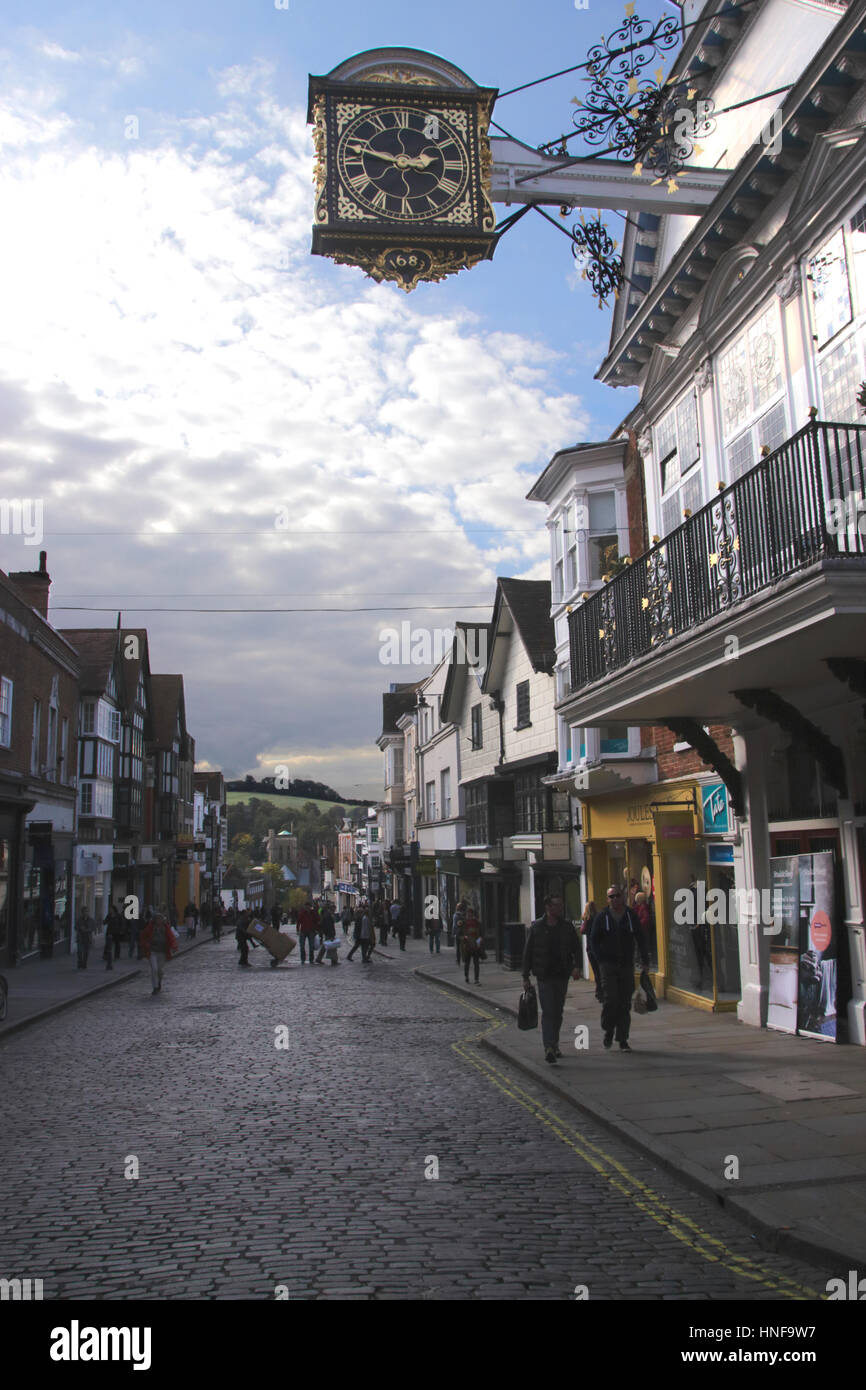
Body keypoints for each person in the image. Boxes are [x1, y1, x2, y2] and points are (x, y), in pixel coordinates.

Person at [522, 895, 583, 1064]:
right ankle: (549, 1046)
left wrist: (577, 966)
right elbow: (528, 953)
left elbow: (576, 948)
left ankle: (554, 1044)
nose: (561, 908)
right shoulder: (537, 927)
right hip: (544, 976)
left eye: (561, 905)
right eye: (558, 905)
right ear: (549, 908)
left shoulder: (566, 926)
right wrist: (525, 976)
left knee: (558, 1012)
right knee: (548, 1011)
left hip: (562, 975)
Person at [589, 886, 650, 1052]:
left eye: (617, 896)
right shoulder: (602, 917)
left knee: (624, 1003)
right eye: (611, 896)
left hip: (626, 965)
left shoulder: (630, 915)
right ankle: (608, 1029)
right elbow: (593, 940)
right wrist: (600, 959)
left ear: (623, 897)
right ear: (608, 899)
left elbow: (640, 937)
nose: (615, 899)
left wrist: (645, 960)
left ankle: (622, 1039)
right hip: (607, 965)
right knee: (610, 1000)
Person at [140, 911, 178, 994]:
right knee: (154, 969)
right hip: (152, 952)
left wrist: (174, 946)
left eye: (160, 919)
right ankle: (155, 987)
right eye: (157, 919)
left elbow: (171, 937)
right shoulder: (150, 928)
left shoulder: (166, 928)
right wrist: (146, 945)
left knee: (160, 970)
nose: (159, 921)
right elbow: (143, 936)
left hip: (162, 952)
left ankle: (159, 981)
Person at [581, 901, 602, 1002]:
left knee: (596, 971)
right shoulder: (598, 918)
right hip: (599, 948)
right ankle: (601, 990)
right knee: (600, 970)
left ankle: (599, 991)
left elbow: (582, 931)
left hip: (590, 948)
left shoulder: (587, 920)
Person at [462, 908, 483, 985]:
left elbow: (480, 934)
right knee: (468, 963)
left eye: (470, 914)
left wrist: (478, 942)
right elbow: (462, 934)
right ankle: (467, 977)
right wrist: (465, 938)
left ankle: (476, 979)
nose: (469, 915)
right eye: (468, 914)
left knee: (475, 963)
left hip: (475, 946)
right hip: (468, 946)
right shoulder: (464, 923)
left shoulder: (477, 923)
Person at [296, 899, 319, 966]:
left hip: (311, 931)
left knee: (311, 946)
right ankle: (303, 959)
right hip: (303, 931)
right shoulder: (302, 913)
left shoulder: (313, 913)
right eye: (306, 906)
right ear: (305, 907)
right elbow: (298, 922)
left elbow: (317, 920)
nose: (307, 908)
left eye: (308, 906)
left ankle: (311, 959)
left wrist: (316, 929)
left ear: (310, 907)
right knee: (302, 946)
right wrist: (297, 930)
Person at [453, 901, 467, 967]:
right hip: (464, 933)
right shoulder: (464, 915)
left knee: (458, 948)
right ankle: (464, 960)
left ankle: (458, 960)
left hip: (458, 933)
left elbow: (454, 925)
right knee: (464, 946)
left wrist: (453, 933)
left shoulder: (456, 915)